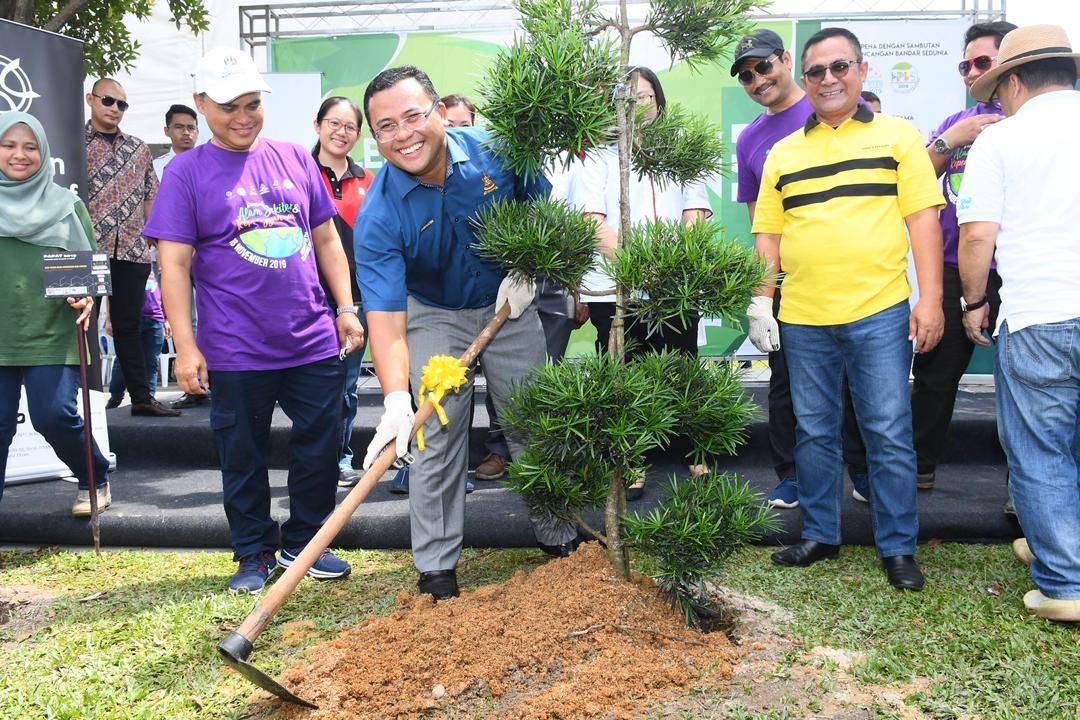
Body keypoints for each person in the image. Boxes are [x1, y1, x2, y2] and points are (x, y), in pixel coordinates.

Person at [144, 48, 365, 594]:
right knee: (241, 455)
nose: (243, 117)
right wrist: (186, 347)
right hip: (235, 346)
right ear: (201, 104)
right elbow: (175, 265)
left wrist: (345, 307)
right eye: (229, 107)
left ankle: (307, 543)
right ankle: (253, 551)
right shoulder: (185, 173)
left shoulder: (293, 157)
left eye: (252, 104)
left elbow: (326, 239)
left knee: (320, 448)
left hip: (312, 338)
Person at [356, 65, 580, 601]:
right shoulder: (379, 215)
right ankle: (436, 567)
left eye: (413, 116)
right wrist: (395, 401)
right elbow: (386, 320)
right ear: (375, 137)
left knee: (534, 421)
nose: (403, 134)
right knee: (436, 436)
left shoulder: (496, 152)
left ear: (439, 111)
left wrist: (529, 266)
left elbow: (542, 210)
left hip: (508, 302)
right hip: (434, 311)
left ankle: (560, 537)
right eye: (386, 126)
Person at [753, 27, 944, 592]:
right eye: (816, 71)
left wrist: (931, 299)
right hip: (803, 316)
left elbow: (923, 222)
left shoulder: (899, 137)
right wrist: (761, 301)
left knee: (887, 430)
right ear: (804, 79)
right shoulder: (783, 153)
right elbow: (768, 237)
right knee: (813, 431)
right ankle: (820, 535)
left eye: (840, 67)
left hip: (879, 311)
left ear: (862, 71)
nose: (828, 79)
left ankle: (898, 547)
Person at [957, 23, 1080, 622]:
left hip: (1040, 313)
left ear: (1015, 82)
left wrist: (973, 301)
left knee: (1040, 450)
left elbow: (977, 235)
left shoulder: (1001, 140)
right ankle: (1058, 544)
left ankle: (1065, 581)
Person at [734, 28, 869, 510]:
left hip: (853, 275)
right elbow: (761, 227)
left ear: (786, 60)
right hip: (790, 283)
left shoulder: (830, 108)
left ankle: (864, 470)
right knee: (786, 382)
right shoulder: (750, 139)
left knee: (856, 379)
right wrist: (761, 297)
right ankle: (791, 475)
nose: (758, 80)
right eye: (746, 76)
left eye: (763, 67)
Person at [570, 66, 711, 498]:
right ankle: (630, 457)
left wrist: (672, 264)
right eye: (627, 98)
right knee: (622, 369)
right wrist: (641, 267)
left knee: (682, 362)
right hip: (617, 286)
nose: (637, 105)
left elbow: (695, 212)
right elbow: (593, 223)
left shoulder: (680, 149)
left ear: (659, 101)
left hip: (676, 284)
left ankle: (696, 446)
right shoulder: (598, 157)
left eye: (646, 96)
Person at [911, 21, 1014, 492]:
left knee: (1024, 380)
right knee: (934, 374)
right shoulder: (957, 121)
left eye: (982, 62)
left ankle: (1024, 487)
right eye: (964, 65)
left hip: (1015, 266)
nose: (971, 72)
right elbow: (915, 177)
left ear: (1010, 62)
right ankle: (917, 469)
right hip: (954, 265)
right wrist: (953, 137)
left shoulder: (1031, 123)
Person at [0, 112, 112, 517]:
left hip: (52, 332)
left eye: (30, 146)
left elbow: (88, 275)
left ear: (44, 152)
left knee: (54, 416)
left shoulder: (67, 206)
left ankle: (94, 476)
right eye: (8, 145)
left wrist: (87, 298)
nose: (20, 154)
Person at [84, 78, 179, 418]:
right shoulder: (72, 143)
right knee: (82, 326)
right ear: (91, 99)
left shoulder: (138, 148)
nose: (115, 109)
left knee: (129, 326)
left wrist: (157, 242)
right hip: (86, 249)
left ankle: (141, 397)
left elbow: (151, 195)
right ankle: (83, 399)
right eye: (108, 101)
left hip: (132, 250)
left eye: (122, 104)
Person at [310, 96, 375, 489]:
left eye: (350, 126)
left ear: (359, 135)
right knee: (313, 386)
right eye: (334, 123)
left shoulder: (370, 180)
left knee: (346, 387)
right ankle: (314, 460)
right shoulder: (297, 172)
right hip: (307, 300)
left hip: (356, 301)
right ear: (317, 125)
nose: (341, 132)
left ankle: (341, 458)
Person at [105, 270, 169, 408]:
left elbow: (167, 292)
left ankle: (149, 397)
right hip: (130, 317)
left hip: (156, 318)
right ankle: (115, 396)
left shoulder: (159, 267)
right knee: (123, 358)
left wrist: (167, 319)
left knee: (151, 361)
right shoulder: (126, 265)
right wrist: (109, 320)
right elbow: (111, 293)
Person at [153, 104, 199, 178]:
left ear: (197, 132)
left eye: (191, 128)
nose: (186, 132)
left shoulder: (210, 165)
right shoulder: (155, 167)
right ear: (167, 131)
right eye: (179, 127)